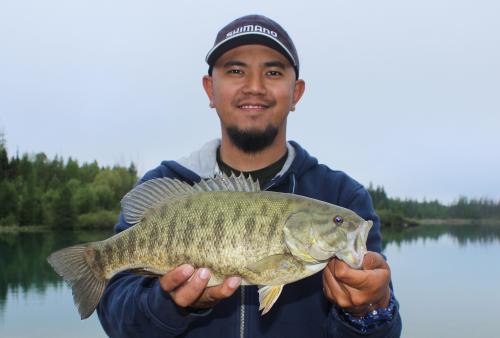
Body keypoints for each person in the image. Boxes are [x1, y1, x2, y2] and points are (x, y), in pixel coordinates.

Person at [97, 14, 402, 338]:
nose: (254, 87)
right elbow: (117, 319)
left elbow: (383, 329)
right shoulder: (166, 184)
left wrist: (369, 310)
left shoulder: (342, 196)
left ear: (296, 92)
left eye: (272, 72)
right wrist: (169, 304)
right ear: (209, 89)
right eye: (235, 70)